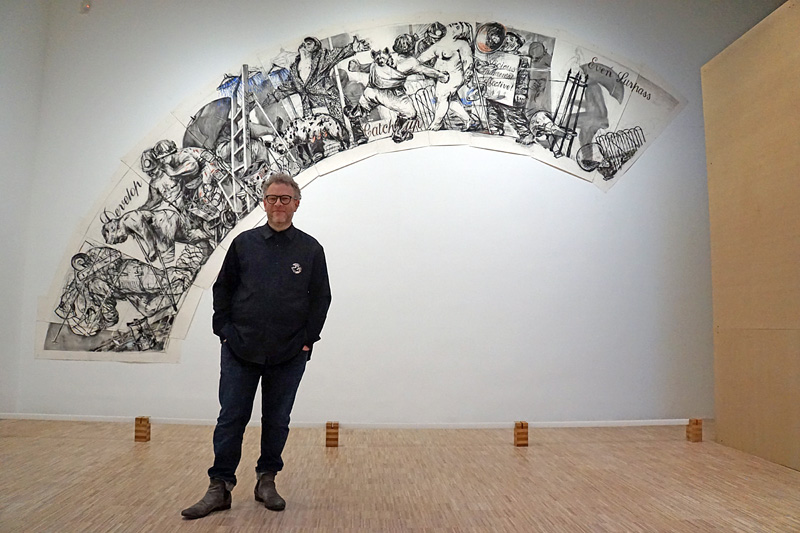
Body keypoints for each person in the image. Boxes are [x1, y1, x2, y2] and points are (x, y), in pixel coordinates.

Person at [181, 172, 332, 519]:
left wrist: (307, 340)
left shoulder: (310, 249)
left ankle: (267, 481)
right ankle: (220, 486)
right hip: (240, 349)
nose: (278, 204)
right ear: (264, 203)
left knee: (277, 420)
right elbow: (223, 288)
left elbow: (321, 298)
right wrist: (223, 330)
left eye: (285, 199)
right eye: (272, 198)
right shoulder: (243, 244)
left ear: (296, 204)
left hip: (289, 353)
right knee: (231, 418)